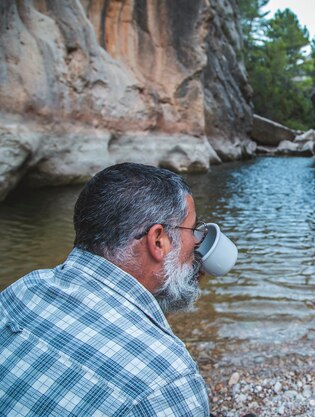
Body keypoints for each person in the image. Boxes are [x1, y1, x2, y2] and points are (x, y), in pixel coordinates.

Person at [0, 163, 217, 416]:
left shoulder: (23, 290)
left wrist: (171, 281)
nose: (197, 242)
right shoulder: (166, 381)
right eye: (193, 229)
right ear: (158, 240)